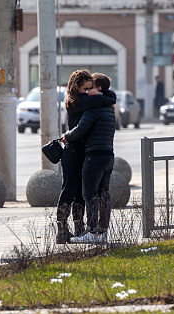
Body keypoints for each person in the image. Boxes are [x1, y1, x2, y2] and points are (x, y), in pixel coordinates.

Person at [55, 70, 116, 244]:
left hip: (86, 152)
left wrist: (104, 94)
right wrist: (104, 94)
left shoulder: (89, 100)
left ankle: (80, 229)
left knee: (82, 195)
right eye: (85, 88)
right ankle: (62, 231)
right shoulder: (76, 101)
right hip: (73, 152)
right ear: (76, 87)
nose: (89, 91)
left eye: (91, 88)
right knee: (69, 191)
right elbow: (107, 98)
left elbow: (106, 97)